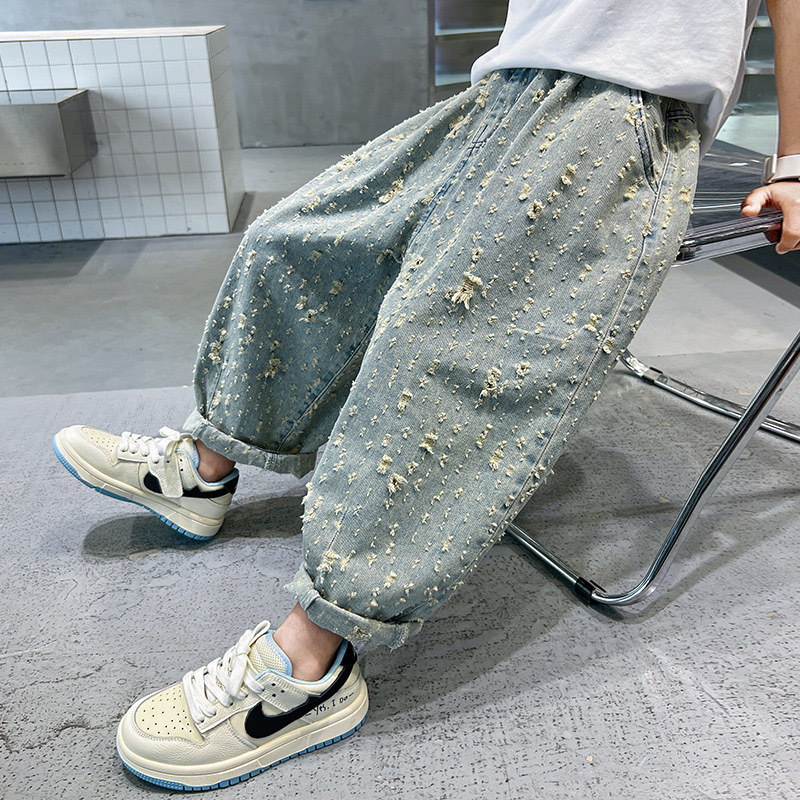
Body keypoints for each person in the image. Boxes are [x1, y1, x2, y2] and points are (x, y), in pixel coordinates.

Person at [52, 0, 800, 791]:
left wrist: (793, 159)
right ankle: (203, 469)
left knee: (442, 343)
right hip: (506, 88)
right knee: (295, 239)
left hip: (624, 112)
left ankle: (312, 663)